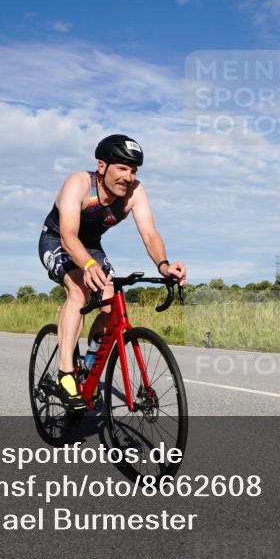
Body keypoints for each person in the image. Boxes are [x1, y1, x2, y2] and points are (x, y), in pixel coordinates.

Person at [38, 134, 186, 410]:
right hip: (57, 240)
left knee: (110, 304)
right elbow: (69, 237)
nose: (128, 177)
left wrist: (164, 265)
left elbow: (150, 233)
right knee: (79, 291)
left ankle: (90, 367)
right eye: (122, 168)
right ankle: (66, 373)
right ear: (102, 166)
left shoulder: (135, 192)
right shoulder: (79, 184)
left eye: (133, 170)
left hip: (91, 246)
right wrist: (88, 266)